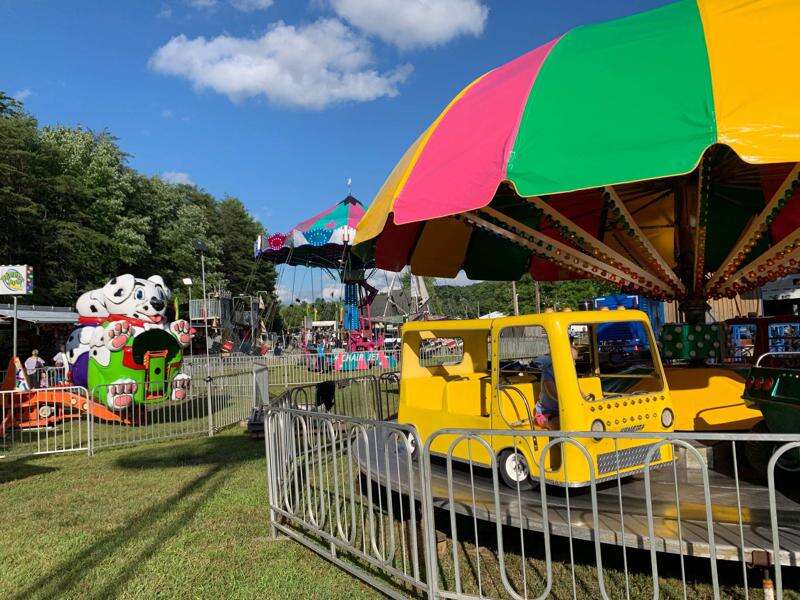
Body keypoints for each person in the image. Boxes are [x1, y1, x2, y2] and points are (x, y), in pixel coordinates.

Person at [534, 342, 580, 430]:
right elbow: (550, 390)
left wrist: (584, 398)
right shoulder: (549, 371)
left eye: (575, 360)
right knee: (557, 424)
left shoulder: (570, 372)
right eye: (572, 360)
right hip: (546, 412)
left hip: (564, 410)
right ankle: (546, 423)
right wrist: (564, 401)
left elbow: (578, 388)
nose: (574, 364)